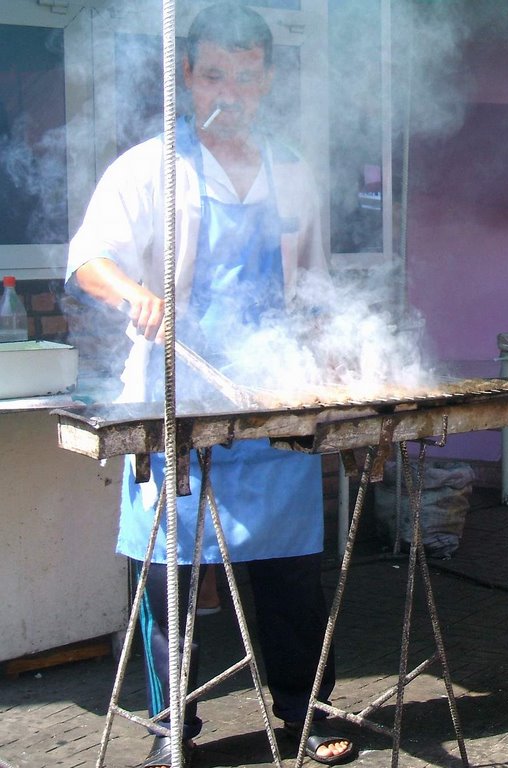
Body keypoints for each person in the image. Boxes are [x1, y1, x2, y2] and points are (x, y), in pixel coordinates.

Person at [65, 4, 355, 767]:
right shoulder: (147, 168)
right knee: (170, 582)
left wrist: (340, 355)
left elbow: (315, 285)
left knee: (293, 576)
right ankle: (174, 733)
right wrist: (132, 293)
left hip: (270, 401)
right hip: (177, 399)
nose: (232, 90)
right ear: (188, 77)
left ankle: (306, 712)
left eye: (248, 75)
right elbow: (88, 257)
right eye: (215, 74)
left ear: (267, 81)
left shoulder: (293, 171)